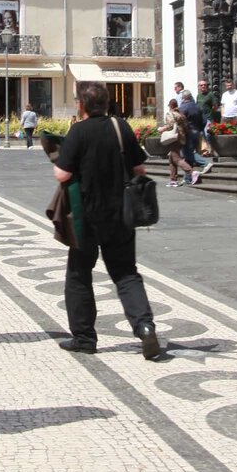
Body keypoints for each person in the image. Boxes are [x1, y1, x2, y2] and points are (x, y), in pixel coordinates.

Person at [52, 81, 160, 359]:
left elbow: (62, 174)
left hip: (86, 217)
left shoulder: (78, 131)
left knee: (79, 275)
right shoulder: (119, 126)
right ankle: (145, 327)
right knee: (126, 274)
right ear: (107, 103)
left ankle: (84, 338)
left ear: (81, 105)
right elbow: (139, 168)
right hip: (120, 215)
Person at [158, 99, 198, 187]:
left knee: (176, 158)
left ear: (170, 106)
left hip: (173, 138)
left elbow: (170, 125)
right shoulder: (180, 114)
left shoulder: (170, 114)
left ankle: (191, 172)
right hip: (181, 138)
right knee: (171, 158)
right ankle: (173, 180)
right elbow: (185, 126)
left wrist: (162, 129)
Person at [177, 91, 213, 176]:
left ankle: (205, 163)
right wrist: (200, 129)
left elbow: (180, 121)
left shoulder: (182, 108)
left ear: (183, 98)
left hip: (187, 132)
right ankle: (188, 178)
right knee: (189, 155)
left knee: (187, 153)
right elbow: (204, 121)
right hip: (197, 131)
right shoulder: (198, 107)